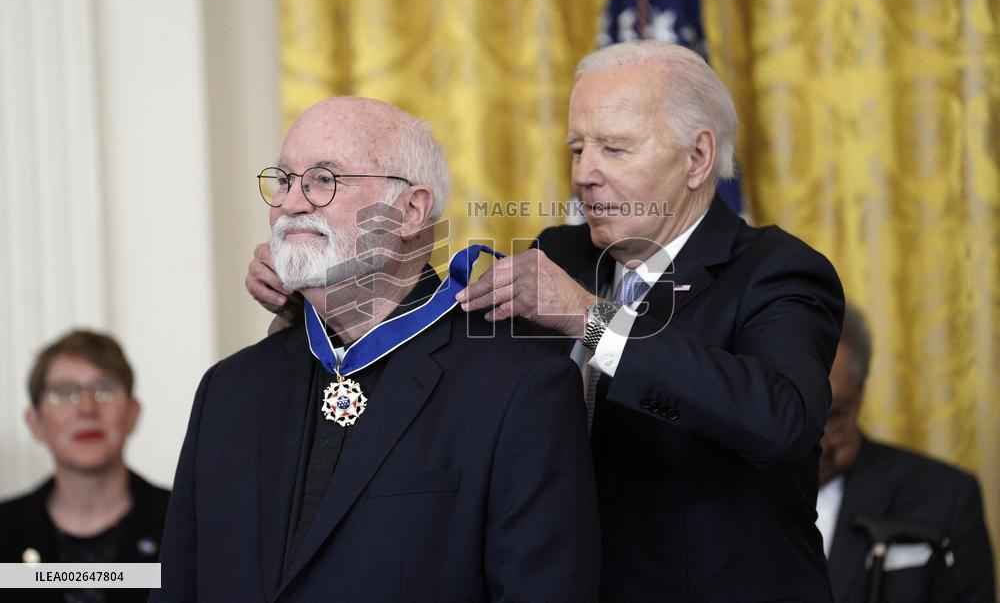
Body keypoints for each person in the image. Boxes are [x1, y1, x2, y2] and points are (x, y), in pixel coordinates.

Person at [247, 42, 845, 601]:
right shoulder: (562, 252)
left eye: (614, 148)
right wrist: (315, 279)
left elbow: (779, 419)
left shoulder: (777, 271)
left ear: (698, 158)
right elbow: (427, 341)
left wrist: (587, 316)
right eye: (577, 148)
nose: (585, 173)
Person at [154, 97, 600, 601]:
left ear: (410, 211)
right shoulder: (227, 390)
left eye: (325, 180)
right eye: (283, 179)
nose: (291, 203)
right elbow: (176, 586)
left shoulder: (520, 388)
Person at [818, 303, 995, 602]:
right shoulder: (724, 495)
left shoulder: (944, 498)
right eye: (797, 414)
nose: (814, 440)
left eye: (833, 415)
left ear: (859, 399)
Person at [0, 330, 170, 603]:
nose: (87, 408)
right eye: (64, 393)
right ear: (35, 422)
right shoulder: (5, 531)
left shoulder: (181, 525)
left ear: (132, 413)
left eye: (105, 390)